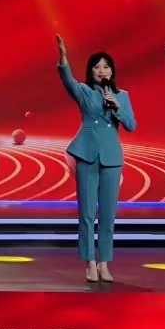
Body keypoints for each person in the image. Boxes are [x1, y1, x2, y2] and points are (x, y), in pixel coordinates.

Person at [56, 36, 136, 283]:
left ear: (112, 71)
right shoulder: (84, 92)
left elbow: (131, 125)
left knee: (108, 214)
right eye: (97, 67)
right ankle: (90, 262)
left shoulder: (122, 96)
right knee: (87, 212)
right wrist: (63, 59)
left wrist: (117, 107)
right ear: (91, 71)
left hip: (111, 156)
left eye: (106, 66)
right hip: (87, 153)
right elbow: (68, 82)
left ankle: (104, 262)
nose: (102, 70)